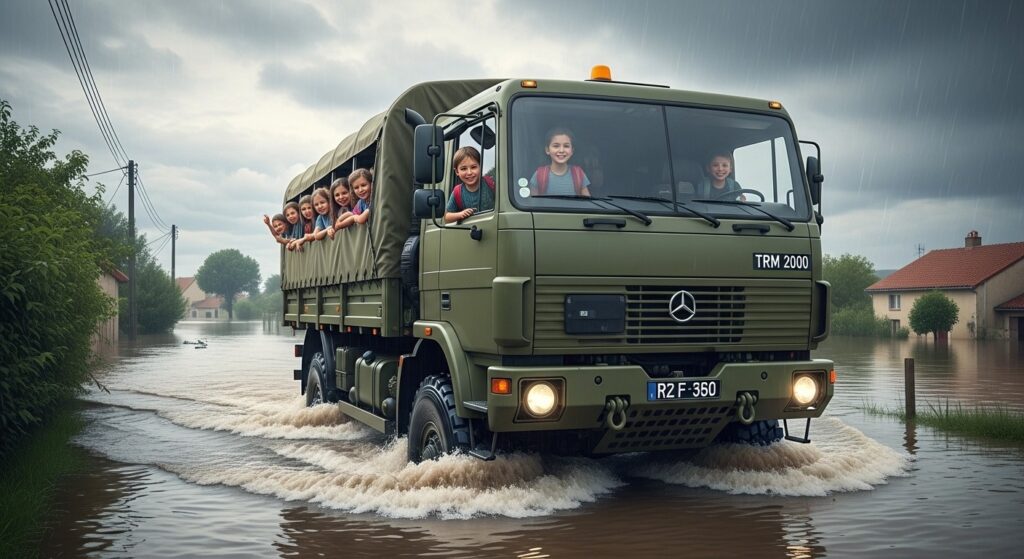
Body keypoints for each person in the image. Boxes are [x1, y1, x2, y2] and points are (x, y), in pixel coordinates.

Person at [529, 127, 591, 197]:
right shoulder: (539, 175)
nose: (561, 150)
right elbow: (533, 204)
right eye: (556, 146)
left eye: (566, 146)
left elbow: (587, 203)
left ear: (572, 151)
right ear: (547, 150)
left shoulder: (578, 174)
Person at [444, 146, 494, 223]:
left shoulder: (491, 183)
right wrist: (460, 214)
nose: (469, 172)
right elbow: (447, 217)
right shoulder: (457, 192)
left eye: (473, 167)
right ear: (457, 171)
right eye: (463, 169)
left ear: (480, 167)